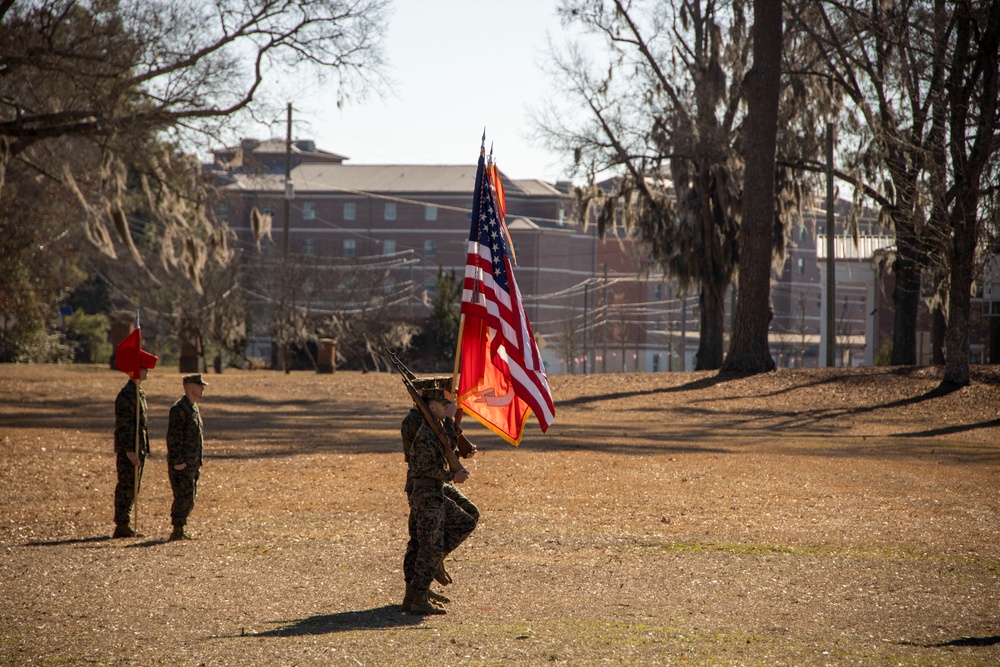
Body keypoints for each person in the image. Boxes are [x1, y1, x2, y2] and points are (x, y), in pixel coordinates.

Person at [401, 378, 479, 611]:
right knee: (426, 545)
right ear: (429, 404)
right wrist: (451, 476)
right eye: (443, 402)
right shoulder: (417, 425)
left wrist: (456, 427)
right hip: (424, 488)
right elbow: (425, 464)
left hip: (433, 485)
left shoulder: (435, 423)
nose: (448, 405)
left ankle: (419, 588)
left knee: (467, 517)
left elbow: (446, 446)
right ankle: (418, 593)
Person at [112, 350, 158, 538]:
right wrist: (129, 450)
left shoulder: (138, 392)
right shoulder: (127, 395)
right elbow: (124, 425)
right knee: (127, 485)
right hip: (129, 447)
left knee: (134, 485)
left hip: (138, 445)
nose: (147, 371)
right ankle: (122, 524)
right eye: (143, 368)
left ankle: (126, 522)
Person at [166, 373, 207, 541]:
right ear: (190, 387)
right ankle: (177, 529)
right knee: (183, 496)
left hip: (192, 462)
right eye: (200, 385)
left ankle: (180, 528)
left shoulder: (193, 407)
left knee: (189, 495)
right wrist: (177, 461)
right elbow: (174, 437)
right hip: (182, 463)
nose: (203, 388)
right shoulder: (179, 409)